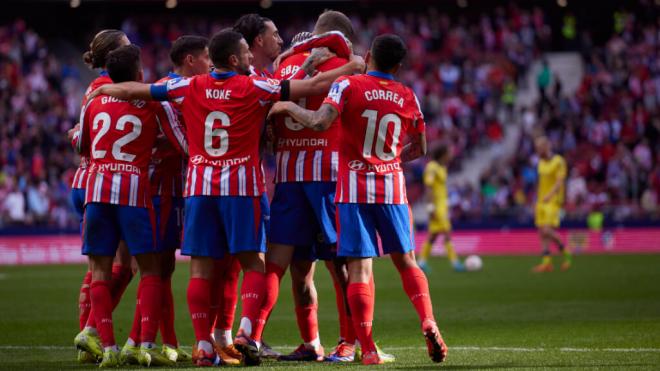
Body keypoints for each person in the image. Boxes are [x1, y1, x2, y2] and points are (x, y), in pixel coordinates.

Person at [89, 29, 364, 366]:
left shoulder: (189, 85)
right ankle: (246, 332)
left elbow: (139, 90)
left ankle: (203, 346)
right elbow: (313, 87)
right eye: (246, 51)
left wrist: (105, 91)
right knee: (253, 263)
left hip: (200, 188)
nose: (250, 55)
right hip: (240, 188)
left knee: (200, 270)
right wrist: (348, 68)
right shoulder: (254, 87)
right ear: (234, 59)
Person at [267, 34, 448, 365]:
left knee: (359, 270)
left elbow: (321, 122)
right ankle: (428, 319)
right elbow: (420, 148)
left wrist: (289, 106)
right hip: (392, 188)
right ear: (399, 65)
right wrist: (389, 160)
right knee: (407, 261)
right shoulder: (409, 95)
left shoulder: (348, 85)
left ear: (368, 55)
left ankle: (366, 349)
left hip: (352, 189)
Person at [75, 44, 186, 367]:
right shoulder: (153, 101)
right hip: (134, 191)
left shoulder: (93, 101)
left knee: (99, 270)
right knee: (151, 269)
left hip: (96, 189)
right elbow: (182, 144)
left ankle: (107, 348)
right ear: (139, 74)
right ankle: (145, 345)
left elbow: (82, 145)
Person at [120, 35, 210, 365]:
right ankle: (135, 341)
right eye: (206, 57)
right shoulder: (170, 93)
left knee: (164, 270)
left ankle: (168, 342)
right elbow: (185, 143)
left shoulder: (173, 89)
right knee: (154, 271)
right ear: (190, 60)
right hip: (158, 191)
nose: (210, 64)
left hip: (167, 189)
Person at [70, 29, 134, 364]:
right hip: (101, 181)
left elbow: (80, 135)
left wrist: (76, 134)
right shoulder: (110, 89)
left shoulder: (95, 88)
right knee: (112, 267)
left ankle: (90, 334)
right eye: (127, 47)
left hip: (90, 180)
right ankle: (90, 331)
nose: (133, 50)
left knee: (108, 267)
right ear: (115, 55)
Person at [417, 144, 466, 273]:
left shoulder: (441, 167)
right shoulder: (432, 167)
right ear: (443, 154)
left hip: (442, 205)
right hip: (437, 207)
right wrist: (430, 207)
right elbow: (428, 187)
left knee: (433, 235)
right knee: (446, 233)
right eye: (449, 152)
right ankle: (455, 263)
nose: (451, 155)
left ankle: (421, 262)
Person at [532, 136, 572, 272]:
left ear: (546, 147)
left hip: (553, 201)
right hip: (541, 201)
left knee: (547, 230)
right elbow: (540, 182)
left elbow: (560, 181)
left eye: (539, 148)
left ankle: (567, 254)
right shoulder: (541, 163)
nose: (537, 151)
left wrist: (550, 195)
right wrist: (536, 198)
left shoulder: (558, 161)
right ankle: (546, 263)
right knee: (542, 233)